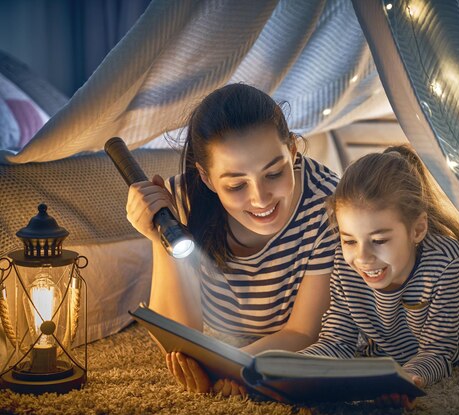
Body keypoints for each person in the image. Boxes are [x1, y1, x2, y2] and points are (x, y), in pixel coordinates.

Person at [126, 83, 339, 395]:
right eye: (237, 185)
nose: (261, 198)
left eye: (274, 173)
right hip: (232, 345)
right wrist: (159, 237)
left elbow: (304, 332)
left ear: (292, 150)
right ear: (208, 178)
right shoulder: (180, 201)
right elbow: (179, 339)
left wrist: (231, 367)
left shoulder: (327, 205)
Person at [300, 145, 459, 408]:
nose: (362, 257)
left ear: (418, 230)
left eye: (379, 240)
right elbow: (337, 340)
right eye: (349, 240)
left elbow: (438, 351)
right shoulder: (345, 262)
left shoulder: (448, 261)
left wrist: (406, 378)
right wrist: (291, 366)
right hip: (437, 274)